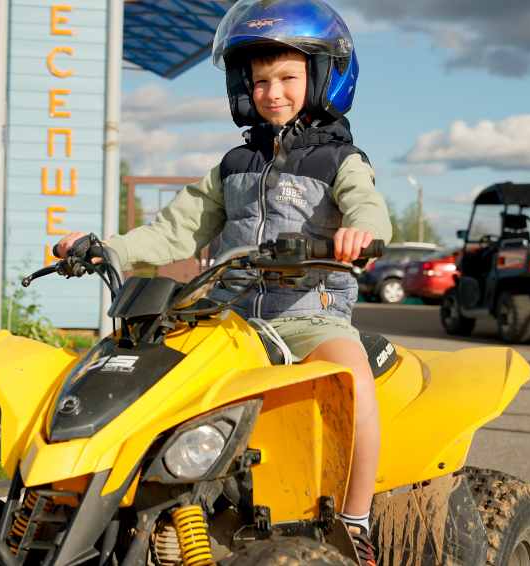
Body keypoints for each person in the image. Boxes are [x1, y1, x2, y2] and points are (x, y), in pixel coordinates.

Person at [55, 1, 389, 564]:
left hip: (310, 315)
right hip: (227, 317)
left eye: (288, 78)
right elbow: (175, 231)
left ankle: (355, 522)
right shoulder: (233, 165)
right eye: (260, 81)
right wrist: (109, 249)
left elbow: (369, 206)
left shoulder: (341, 160)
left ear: (325, 78)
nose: (272, 92)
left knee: (353, 384)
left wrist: (362, 232)